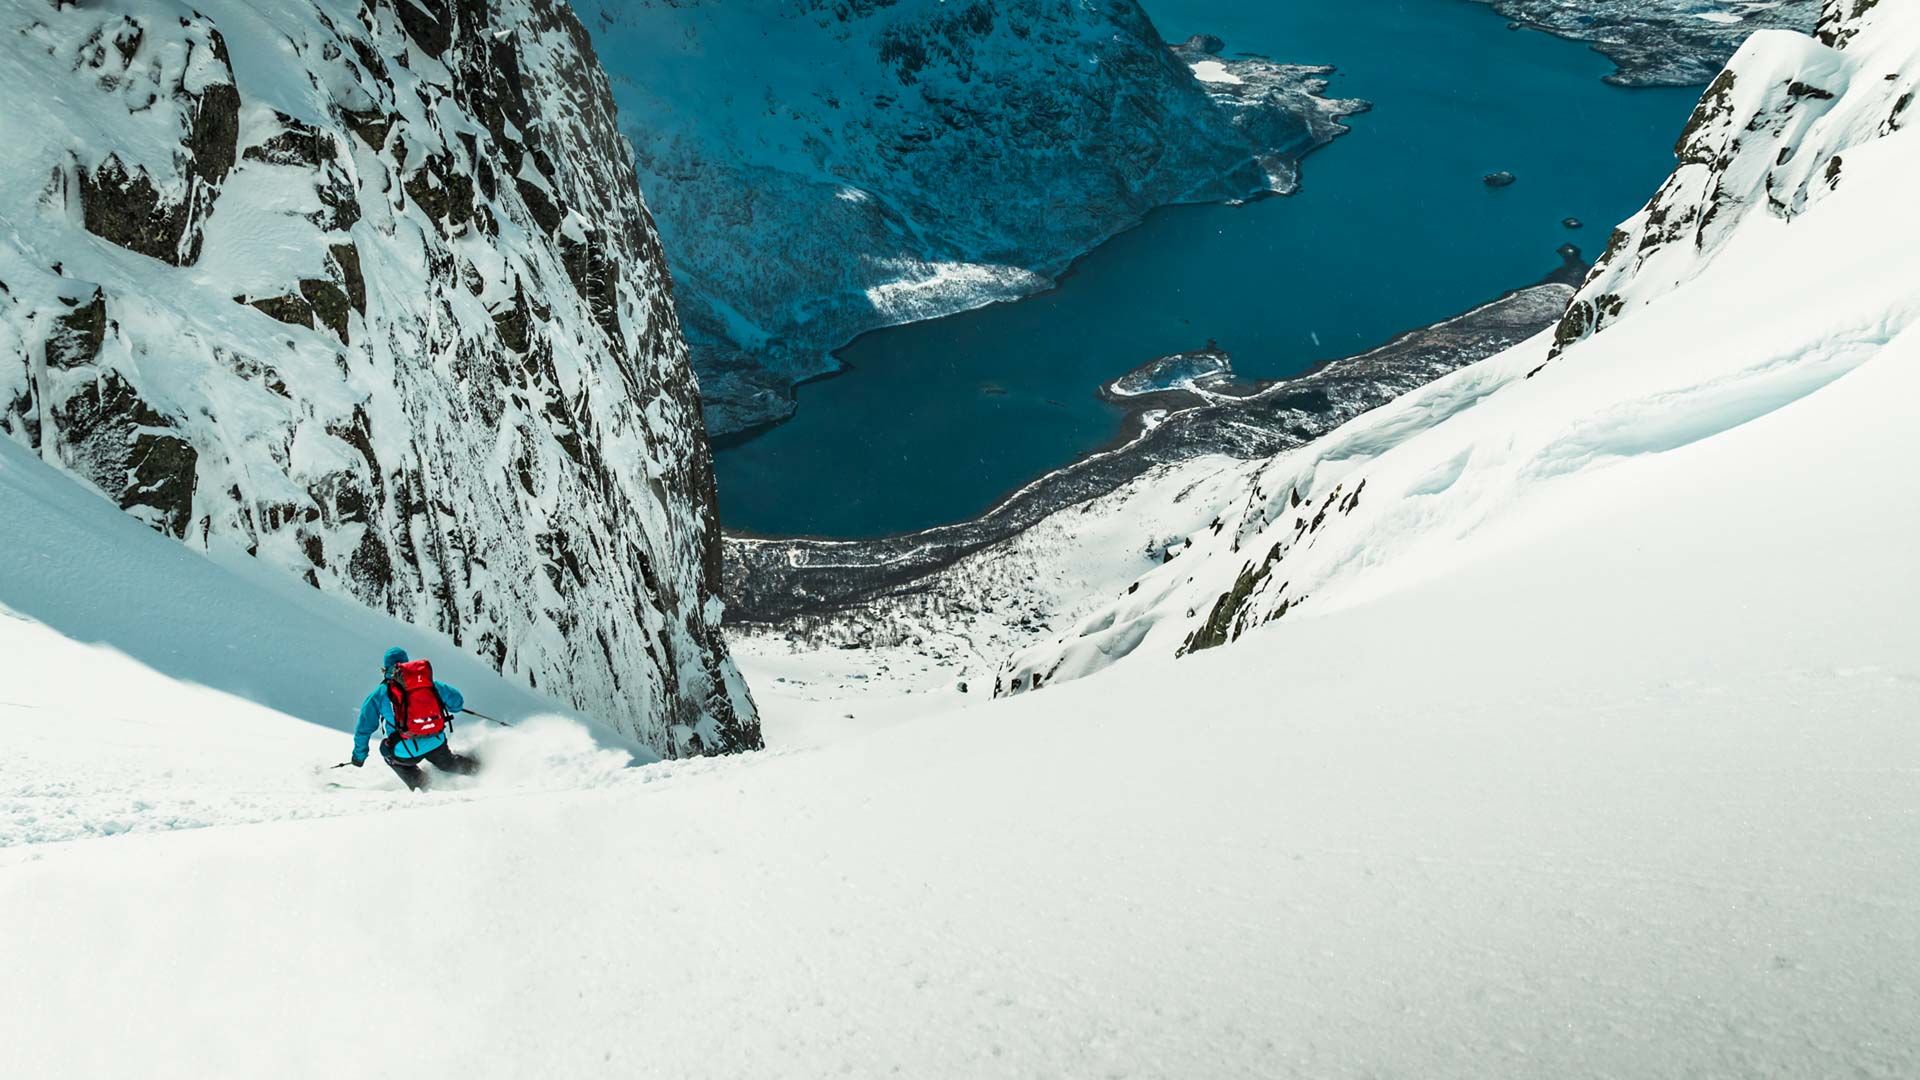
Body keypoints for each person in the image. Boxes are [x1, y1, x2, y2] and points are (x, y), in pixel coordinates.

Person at [349, 647, 479, 791]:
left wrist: (358, 758)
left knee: (385, 750)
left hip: (404, 751)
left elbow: (363, 729)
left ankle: (423, 784)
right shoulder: (429, 684)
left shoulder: (380, 693)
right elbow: (457, 703)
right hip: (435, 740)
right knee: (448, 763)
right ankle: (480, 768)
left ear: (385, 669)